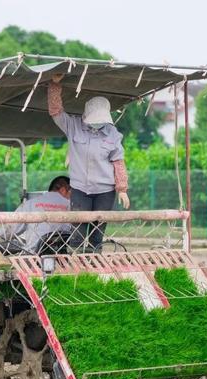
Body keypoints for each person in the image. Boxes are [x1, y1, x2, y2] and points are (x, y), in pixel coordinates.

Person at [47, 73, 130, 250]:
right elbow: (55, 112)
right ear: (87, 115)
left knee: (97, 233)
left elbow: (118, 162)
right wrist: (55, 85)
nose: (98, 124)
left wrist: (122, 189)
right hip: (80, 189)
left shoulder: (112, 134)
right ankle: (74, 266)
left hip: (105, 191)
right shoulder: (73, 126)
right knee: (78, 231)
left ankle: (94, 268)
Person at [2, 176, 72, 254]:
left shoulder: (31, 203)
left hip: (34, 254)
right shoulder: (71, 205)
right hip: (63, 252)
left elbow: (9, 229)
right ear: (63, 190)